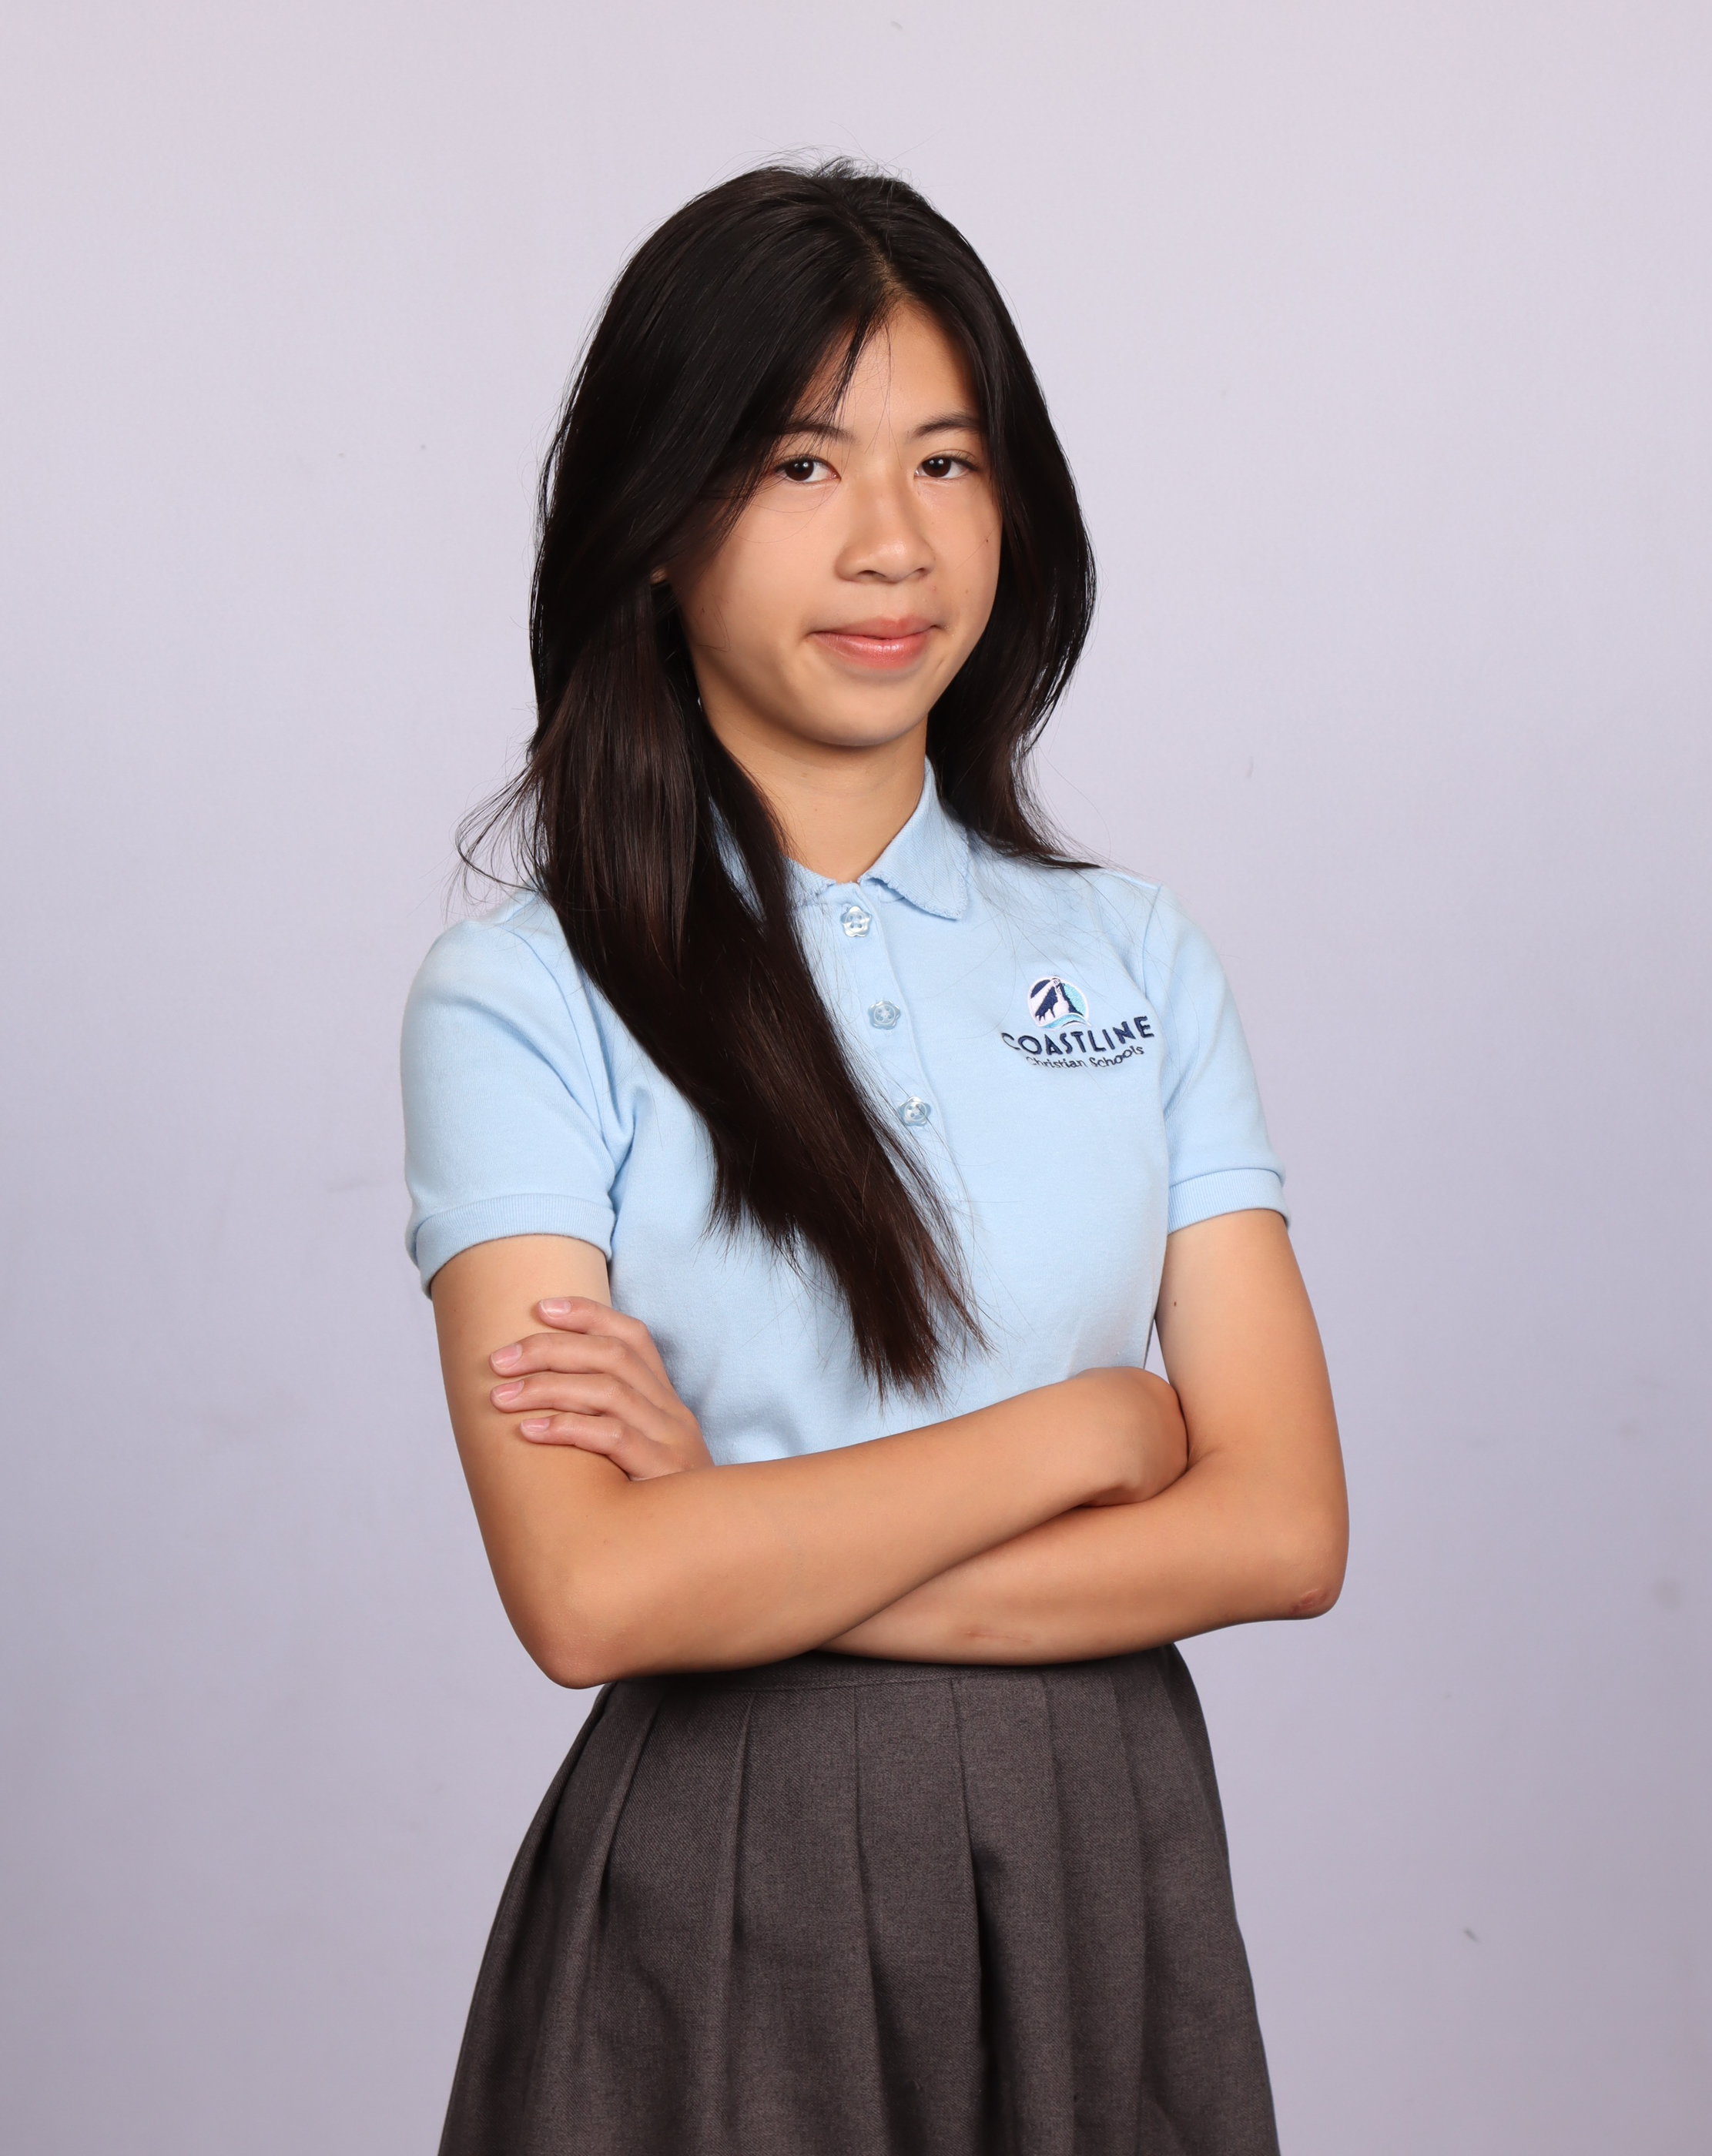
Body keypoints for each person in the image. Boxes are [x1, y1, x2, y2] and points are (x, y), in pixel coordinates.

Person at [401, 160, 1346, 2156]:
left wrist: (742, 1544)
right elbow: (588, 1594)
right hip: (724, 1884)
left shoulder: (1134, 958)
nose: (894, 542)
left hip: (1108, 1870)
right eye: (803, 466)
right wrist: (1094, 1428)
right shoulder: (524, 997)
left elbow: (1281, 1531)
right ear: (658, 529)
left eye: (948, 461)